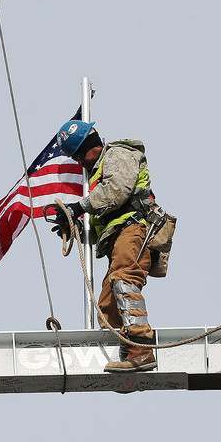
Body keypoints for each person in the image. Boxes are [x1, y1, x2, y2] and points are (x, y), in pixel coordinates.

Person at [48, 120, 159, 372]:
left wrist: (80, 206)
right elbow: (105, 223)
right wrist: (73, 225)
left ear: (91, 146)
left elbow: (118, 191)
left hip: (134, 229)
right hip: (121, 235)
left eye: (78, 156)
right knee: (107, 309)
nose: (79, 163)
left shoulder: (118, 155)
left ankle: (141, 349)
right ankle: (128, 359)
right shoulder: (99, 172)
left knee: (123, 279)